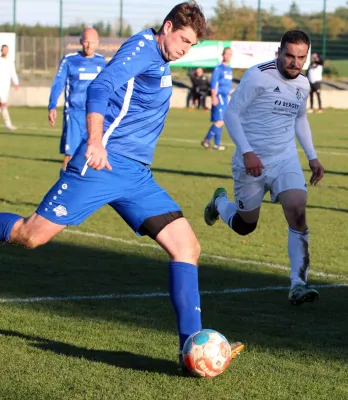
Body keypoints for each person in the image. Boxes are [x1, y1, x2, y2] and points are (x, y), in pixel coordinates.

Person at [0, 1, 243, 373]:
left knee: (187, 247)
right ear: (166, 27)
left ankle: (190, 350)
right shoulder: (142, 49)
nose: (185, 49)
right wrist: (95, 141)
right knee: (30, 236)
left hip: (136, 177)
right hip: (101, 165)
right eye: (182, 39)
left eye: (192, 45)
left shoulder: (161, 59)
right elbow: (100, 87)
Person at [202, 30, 325, 306]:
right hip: (251, 160)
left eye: (301, 57)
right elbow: (230, 114)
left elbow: (300, 119)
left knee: (297, 208)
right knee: (246, 226)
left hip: (284, 158)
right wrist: (247, 153)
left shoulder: (303, 85)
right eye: (290, 56)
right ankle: (219, 203)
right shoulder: (257, 75)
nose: (295, 63)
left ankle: (298, 285)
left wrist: (312, 156)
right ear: (279, 53)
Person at [48, 28, 106, 172]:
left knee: (93, 153)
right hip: (74, 114)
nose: (89, 45)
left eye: (92, 42)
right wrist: (52, 105)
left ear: (97, 43)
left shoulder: (101, 62)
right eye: (86, 41)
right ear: (81, 42)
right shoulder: (69, 60)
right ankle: (63, 186)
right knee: (71, 154)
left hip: (95, 115)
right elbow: (58, 83)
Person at [201, 47, 233, 150]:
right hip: (219, 96)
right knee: (220, 120)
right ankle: (206, 140)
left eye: (230, 54)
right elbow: (213, 84)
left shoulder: (229, 69)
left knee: (221, 120)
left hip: (225, 97)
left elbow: (227, 85)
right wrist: (214, 97)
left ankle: (217, 144)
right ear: (222, 55)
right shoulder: (218, 68)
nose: (228, 56)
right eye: (226, 54)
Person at [0, 44, 19, 131]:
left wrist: (16, 83)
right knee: (3, 104)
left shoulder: (10, 61)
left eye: (6, 50)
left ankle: (8, 124)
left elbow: (13, 73)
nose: (5, 51)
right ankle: (8, 124)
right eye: (3, 49)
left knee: (3, 105)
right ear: (1, 50)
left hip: (5, 87)